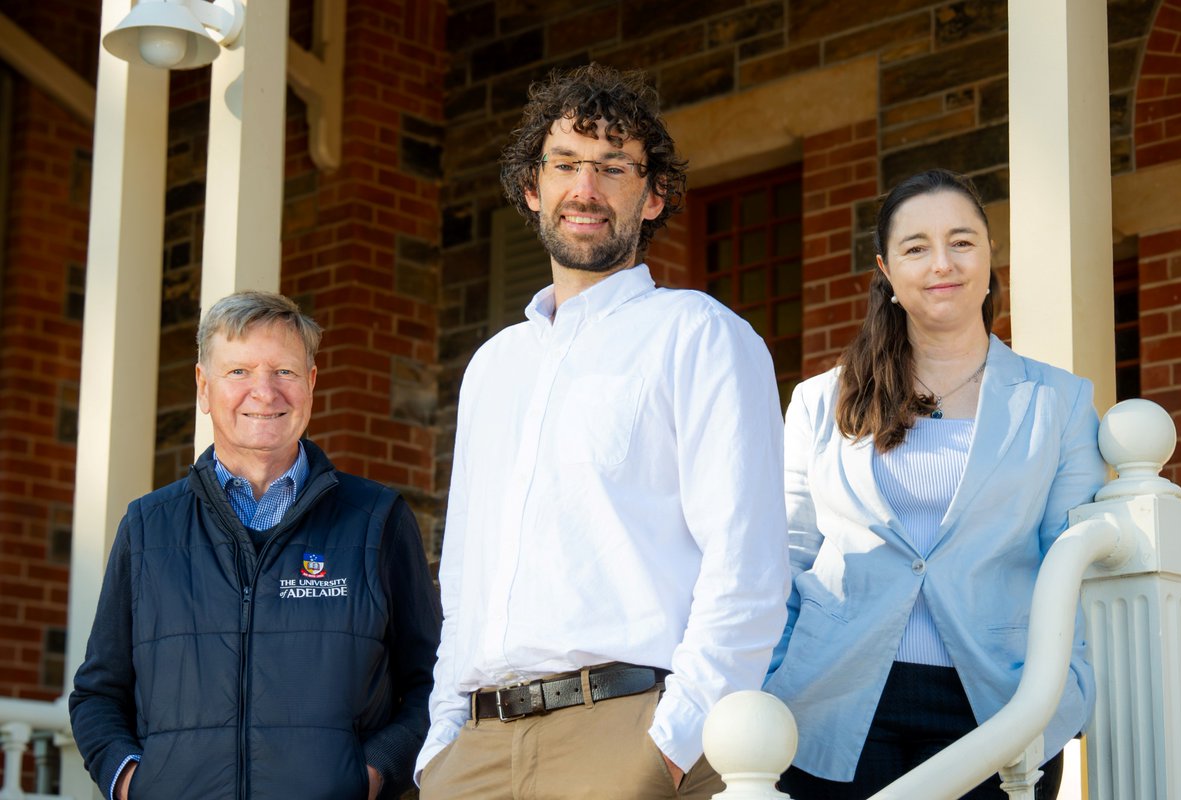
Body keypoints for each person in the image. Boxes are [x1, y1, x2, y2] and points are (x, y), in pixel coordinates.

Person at [416, 63, 790, 799]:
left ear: (652, 197)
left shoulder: (700, 336)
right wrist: (441, 745)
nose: (585, 189)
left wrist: (673, 742)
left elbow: (746, 564)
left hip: (623, 733)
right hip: (477, 751)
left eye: (613, 167)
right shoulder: (493, 367)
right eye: (566, 165)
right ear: (533, 188)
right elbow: (464, 578)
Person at [764, 169, 1106, 799]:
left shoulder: (1059, 401)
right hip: (834, 705)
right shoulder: (818, 402)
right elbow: (787, 556)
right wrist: (772, 682)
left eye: (962, 241)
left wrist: (1066, 691)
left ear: (989, 254)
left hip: (998, 707)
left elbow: (1076, 569)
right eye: (916, 247)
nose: (941, 263)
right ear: (885, 270)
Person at [69, 291, 440, 800]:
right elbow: (97, 694)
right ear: (203, 386)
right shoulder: (148, 527)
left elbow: (432, 684)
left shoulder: (376, 521)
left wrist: (371, 776)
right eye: (238, 372)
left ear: (310, 383)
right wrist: (136, 784)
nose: (264, 393)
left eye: (284, 372)